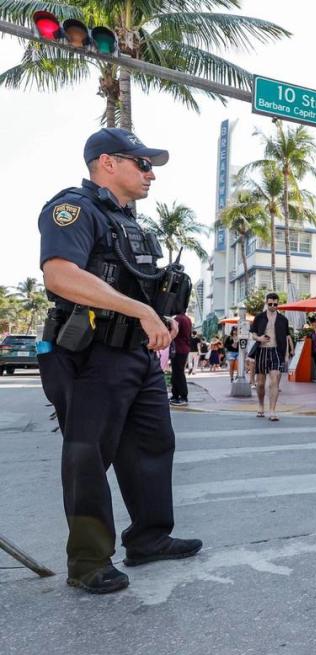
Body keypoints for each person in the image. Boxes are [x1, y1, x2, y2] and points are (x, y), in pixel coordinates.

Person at [36, 127, 201, 594]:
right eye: (142, 163)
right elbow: (60, 275)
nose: (151, 174)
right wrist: (141, 310)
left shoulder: (132, 223)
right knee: (88, 456)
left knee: (152, 445)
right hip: (92, 355)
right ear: (108, 163)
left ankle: (149, 538)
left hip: (137, 355)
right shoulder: (73, 209)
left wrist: (163, 319)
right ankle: (88, 561)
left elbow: (139, 288)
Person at [250, 293, 290, 421]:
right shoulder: (259, 317)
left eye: (275, 304)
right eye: (270, 304)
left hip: (276, 352)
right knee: (260, 384)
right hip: (262, 351)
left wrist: (287, 354)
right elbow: (253, 334)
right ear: (266, 303)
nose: (273, 306)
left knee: (274, 381)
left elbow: (286, 337)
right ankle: (261, 405)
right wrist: (259, 338)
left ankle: (272, 410)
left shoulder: (283, 320)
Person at [170, 312, 192, 406]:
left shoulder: (178, 319)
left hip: (178, 348)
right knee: (177, 372)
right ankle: (176, 395)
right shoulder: (187, 319)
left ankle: (182, 396)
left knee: (178, 373)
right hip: (184, 348)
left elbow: (174, 331)